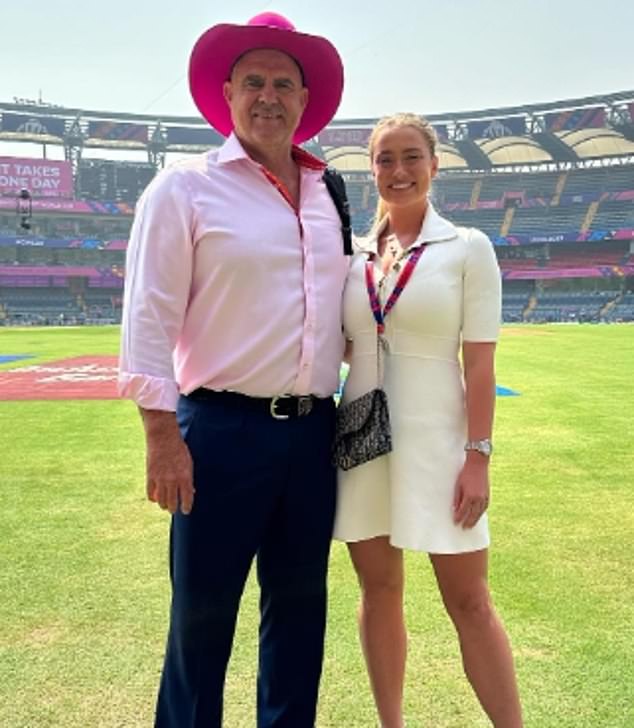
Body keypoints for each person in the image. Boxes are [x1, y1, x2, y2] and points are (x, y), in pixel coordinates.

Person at [118, 13, 347, 728]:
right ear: (228, 94)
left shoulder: (329, 192)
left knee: (300, 614)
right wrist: (161, 435)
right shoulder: (185, 187)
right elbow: (148, 314)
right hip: (219, 432)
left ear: (305, 100)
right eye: (254, 81)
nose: (269, 96)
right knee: (202, 619)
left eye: (284, 83)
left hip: (313, 434)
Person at [333, 113, 523, 728]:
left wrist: (478, 457)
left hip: (441, 447)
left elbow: (482, 363)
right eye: (385, 159)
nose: (398, 170)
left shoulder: (468, 248)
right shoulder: (352, 256)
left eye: (411, 157)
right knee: (379, 591)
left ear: (434, 166)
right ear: (372, 171)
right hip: (362, 439)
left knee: (469, 600)